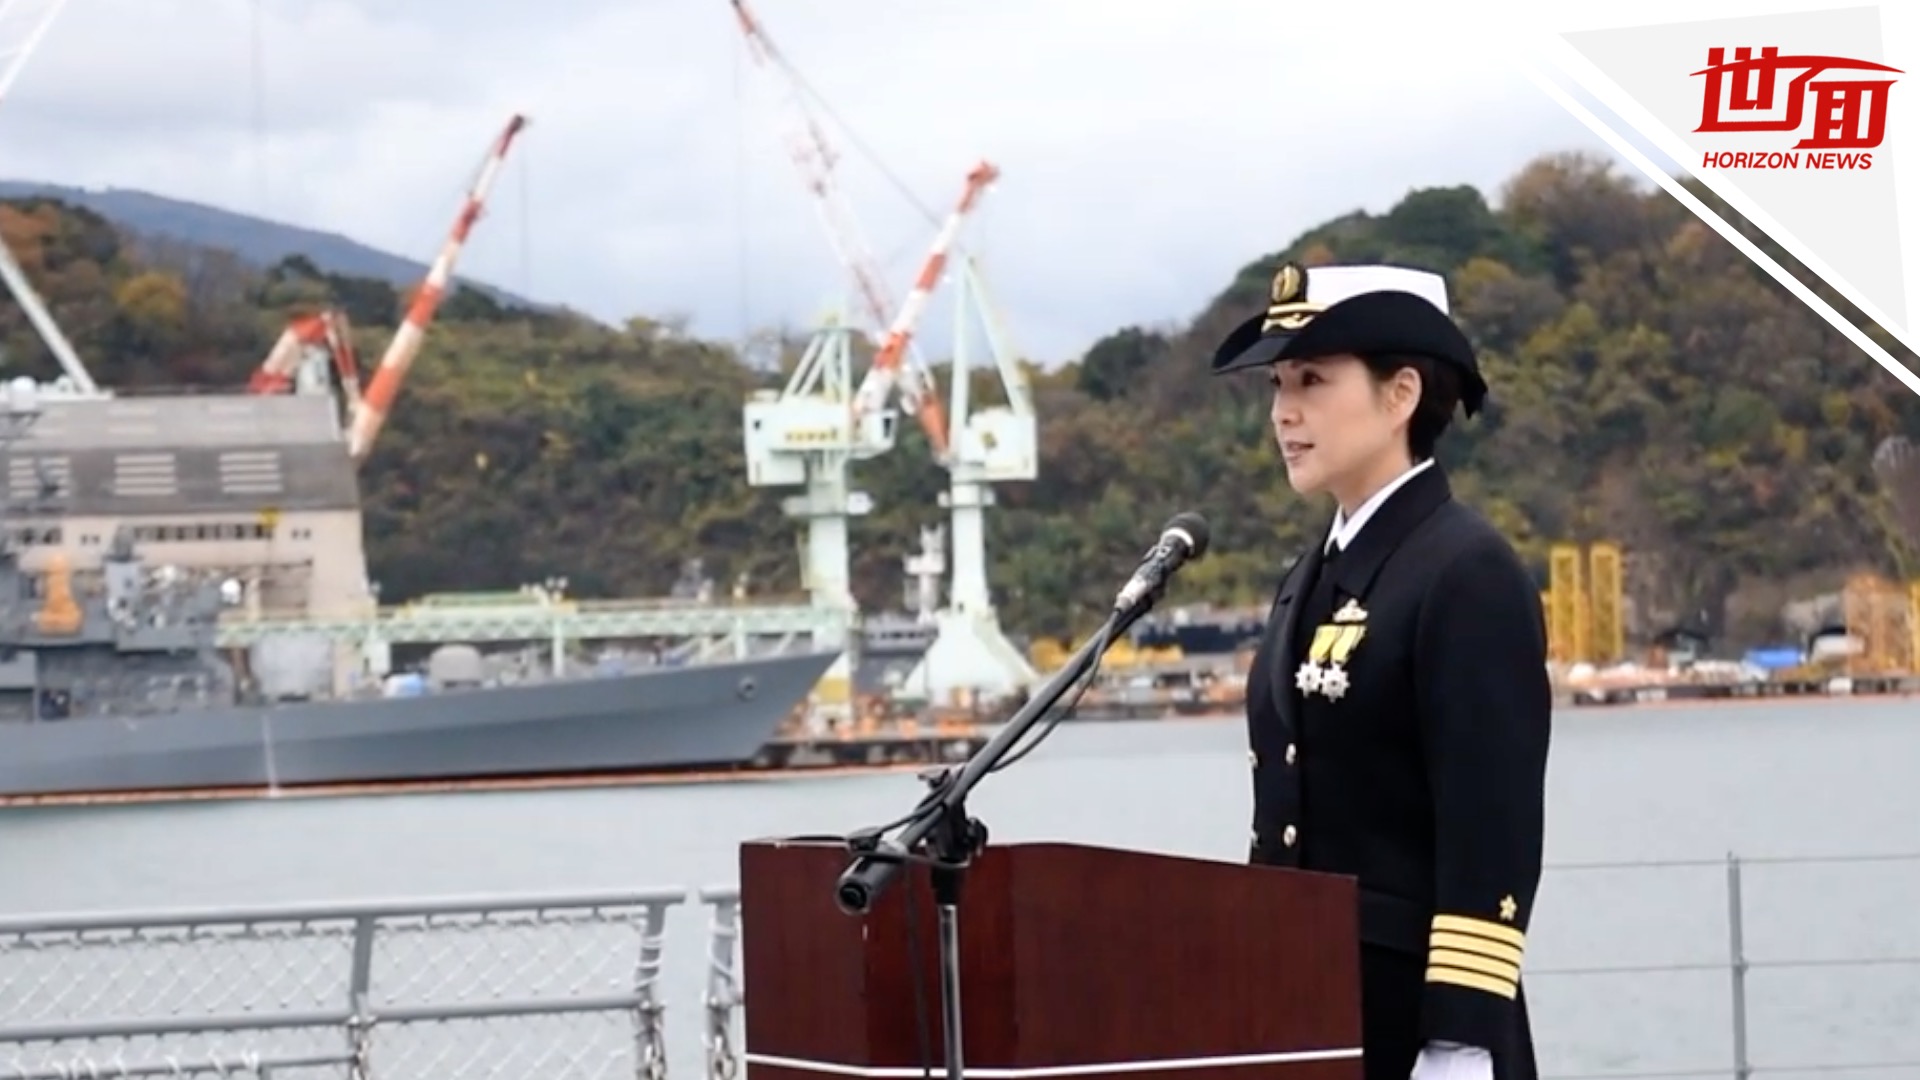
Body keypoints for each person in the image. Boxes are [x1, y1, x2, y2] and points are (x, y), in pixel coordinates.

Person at [1209, 262, 1553, 1080]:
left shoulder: (1466, 570)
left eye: (1314, 380)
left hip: (1416, 1026)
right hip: (1309, 1015)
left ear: (1400, 395)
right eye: (1279, 384)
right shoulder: (1313, 574)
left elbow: (1492, 833)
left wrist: (1460, 1041)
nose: (1284, 411)